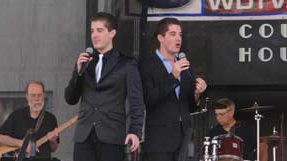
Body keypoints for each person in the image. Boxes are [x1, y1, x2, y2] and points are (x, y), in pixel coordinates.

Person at [65, 12, 144, 161]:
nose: (94, 35)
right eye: (92, 31)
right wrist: (78, 73)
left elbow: (137, 102)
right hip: (84, 136)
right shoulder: (85, 63)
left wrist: (135, 131)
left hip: (112, 136)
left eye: (99, 30)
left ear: (112, 33)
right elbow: (70, 98)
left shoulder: (127, 64)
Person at [139, 17, 207, 161]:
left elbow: (189, 105)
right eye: (172, 34)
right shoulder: (147, 64)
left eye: (180, 34)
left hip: (184, 138)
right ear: (160, 38)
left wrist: (197, 93)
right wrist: (173, 76)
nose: (178, 38)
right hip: (159, 140)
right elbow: (148, 99)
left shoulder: (183, 65)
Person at [0, 80, 59, 158]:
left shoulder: (51, 119)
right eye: (33, 95)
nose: (36, 98)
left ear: (44, 95)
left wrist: (53, 141)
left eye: (39, 95)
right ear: (27, 96)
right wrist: (22, 144)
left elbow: (54, 149)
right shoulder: (17, 115)